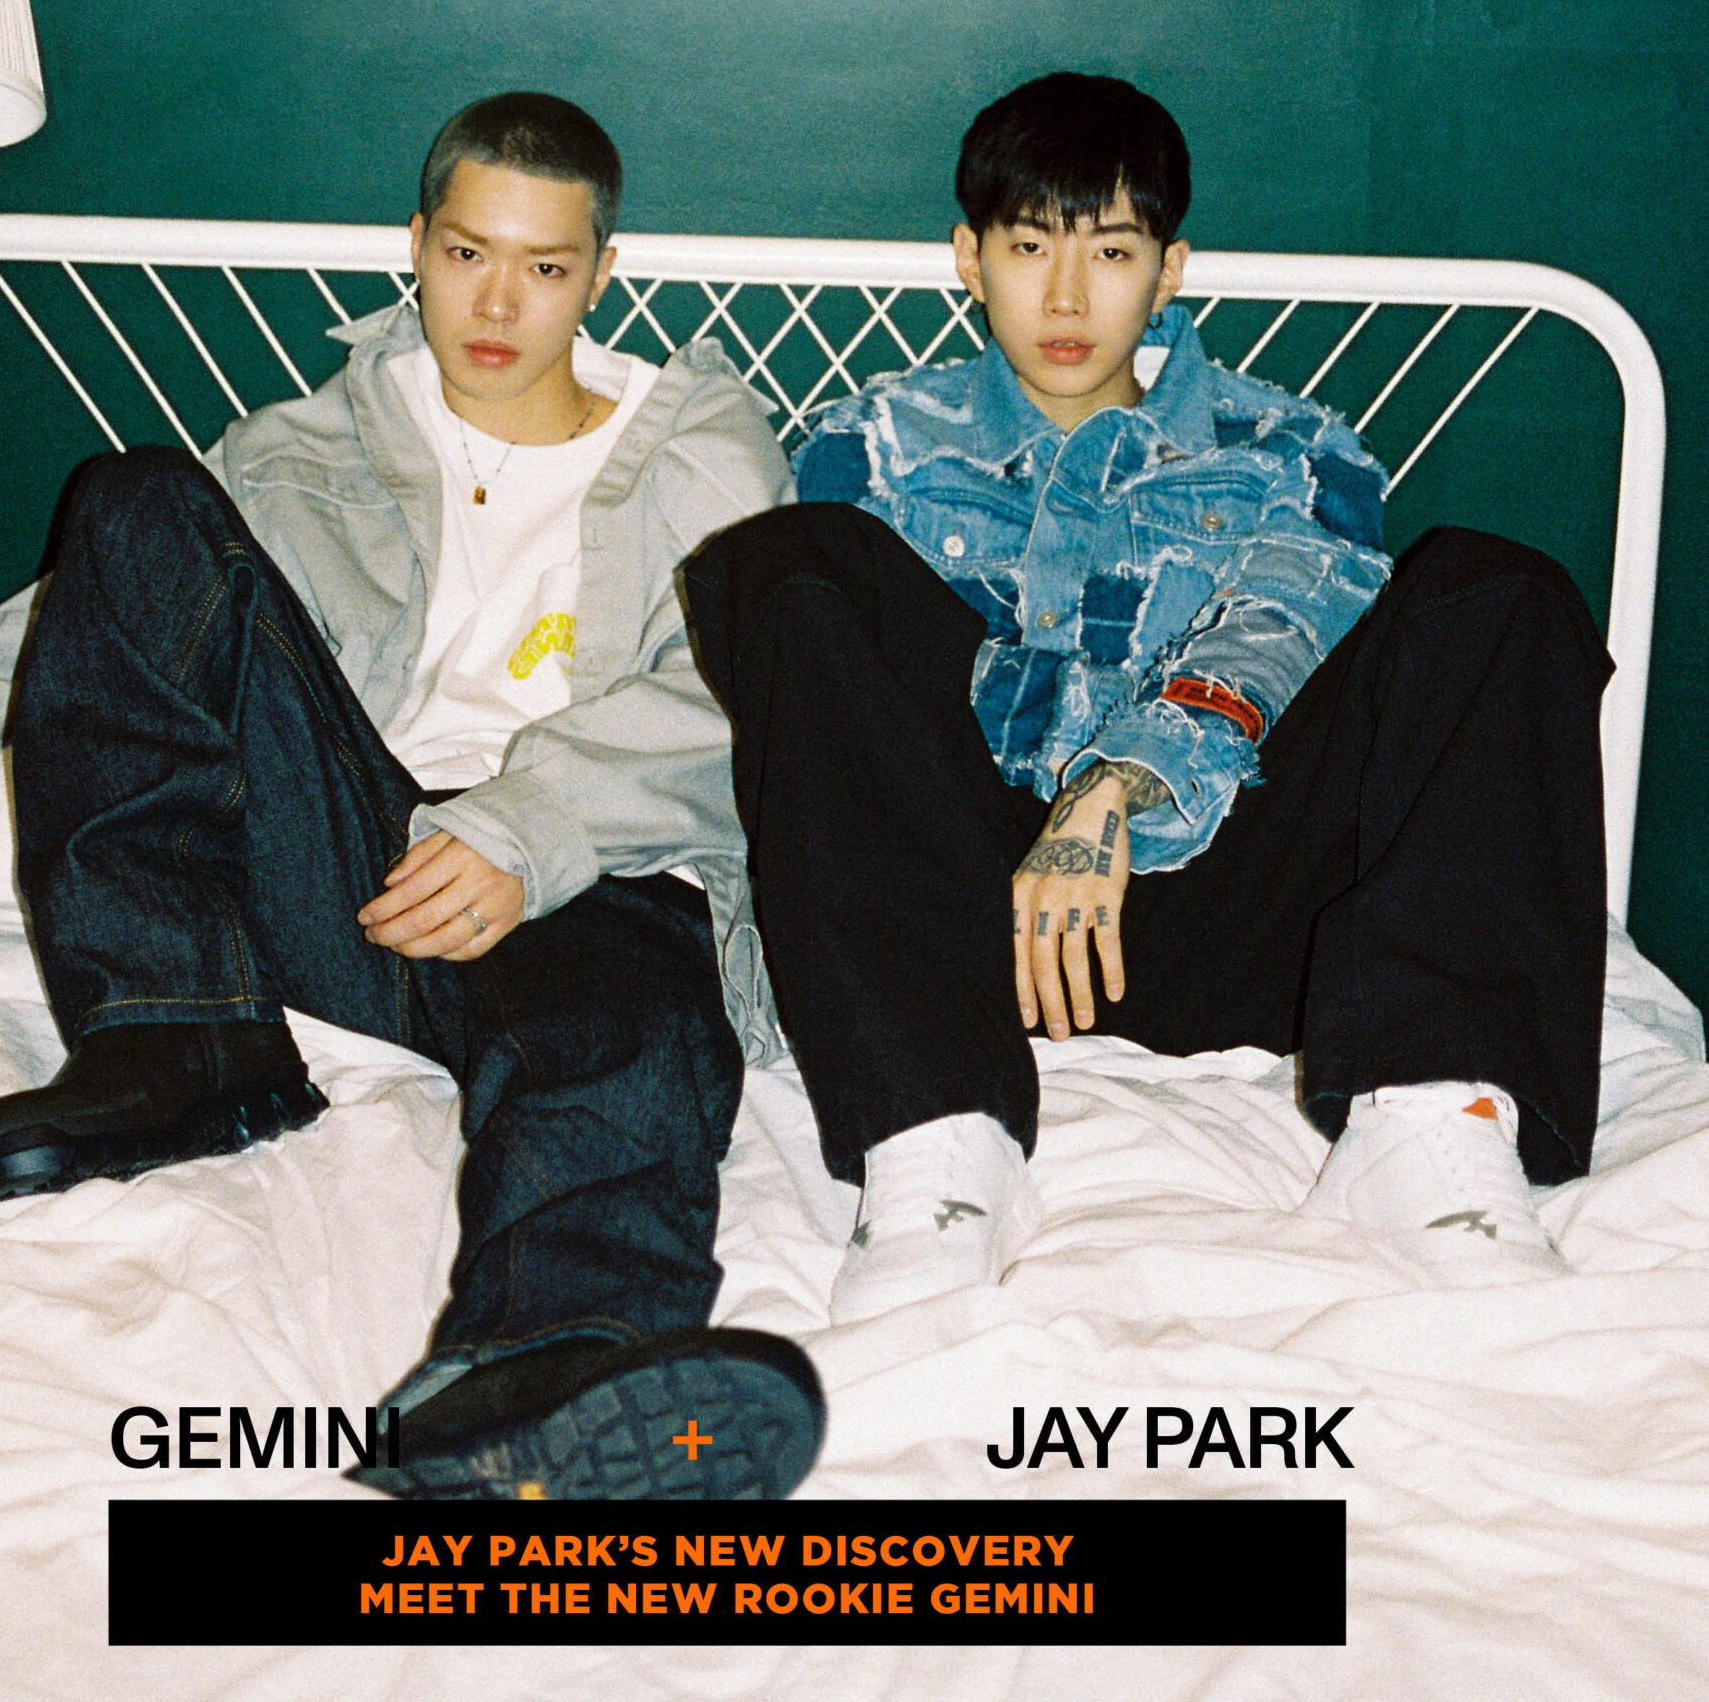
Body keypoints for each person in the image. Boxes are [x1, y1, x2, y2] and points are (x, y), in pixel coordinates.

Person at [0, 92, 823, 1501]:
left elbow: (739, 697)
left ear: (601, 274)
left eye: (545, 267)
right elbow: (50, 635)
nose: (498, 304)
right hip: (345, 854)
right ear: (415, 244)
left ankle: (538, 1368)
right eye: (466, 255)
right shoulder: (305, 447)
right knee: (132, 502)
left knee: (624, 1039)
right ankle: (181, 1032)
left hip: (580, 868)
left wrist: (528, 826)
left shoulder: (703, 452)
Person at [684, 73, 1611, 1322]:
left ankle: (1433, 1116)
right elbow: (855, 726)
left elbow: (1278, 629)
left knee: (1497, 589)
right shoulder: (873, 447)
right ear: (968, 257)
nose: (1067, 298)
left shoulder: (1290, 449)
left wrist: (1116, 785)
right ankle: (934, 1132)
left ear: (1169, 269)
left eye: (1111, 252)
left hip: (1246, 920)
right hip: (975, 941)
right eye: (1029, 248)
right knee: (782, 564)